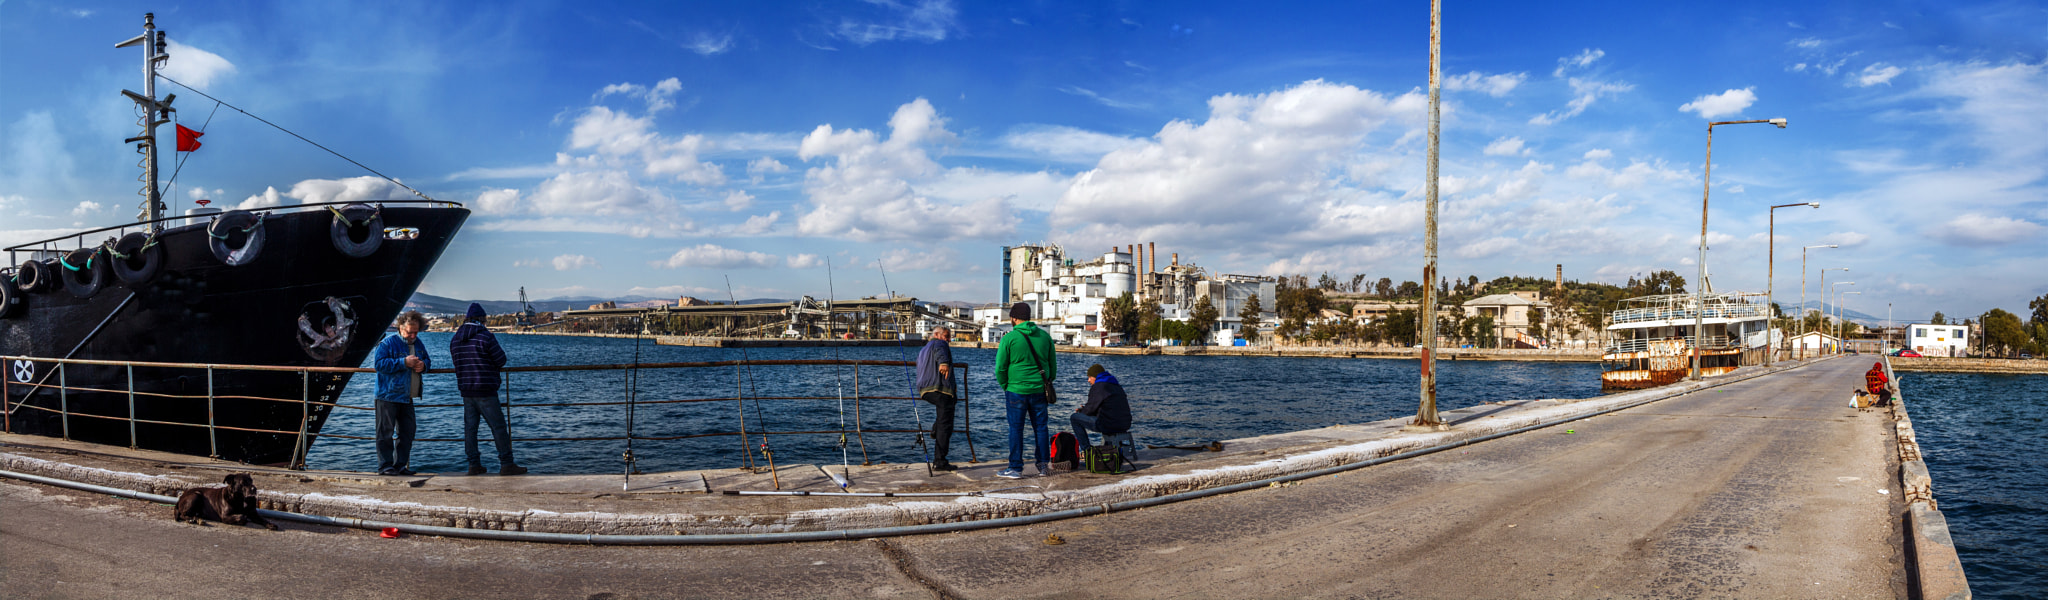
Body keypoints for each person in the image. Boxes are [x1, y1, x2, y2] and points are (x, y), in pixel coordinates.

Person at [450, 303, 526, 476]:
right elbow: (501, 360)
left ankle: (473, 465)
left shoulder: (455, 339)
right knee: (498, 427)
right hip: (485, 389)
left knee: (470, 429)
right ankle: (507, 464)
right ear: (482, 320)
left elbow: (457, 363)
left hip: (466, 390)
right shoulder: (486, 337)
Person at [994, 301, 1055, 479]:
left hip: (1016, 390)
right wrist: (1047, 381)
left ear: (1013, 318)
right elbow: (1053, 366)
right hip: (1039, 390)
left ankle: (1015, 468)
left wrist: (1006, 385)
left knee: (1016, 428)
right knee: (1041, 427)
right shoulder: (1045, 337)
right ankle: (1043, 466)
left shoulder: (1009, 338)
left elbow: (1000, 368)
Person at [372, 311, 430, 476]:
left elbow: (427, 360)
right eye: (409, 332)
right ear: (400, 328)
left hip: (407, 397)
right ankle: (385, 466)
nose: (412, 335)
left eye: (416, 332)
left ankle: (400, 465)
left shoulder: (418, 344)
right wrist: (403, 362)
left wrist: (424, 366)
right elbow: (379, 364)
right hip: (387, 395)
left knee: (408, 432)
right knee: (385, 433)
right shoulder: (387, 344)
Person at [915, 326, 959, 471]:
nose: (948, 339)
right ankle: (940, 461)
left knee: (943, 417)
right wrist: (944, 363)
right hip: (939, 388)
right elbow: (940, 351)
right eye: (946, 336)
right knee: (946, 424)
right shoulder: (939, 343)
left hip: (924, 390)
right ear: (936, 334)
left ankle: (935, 429)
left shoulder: (923, 350)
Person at [1071, 364, 1132, 453]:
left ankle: (1087, 451)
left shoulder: (1098, 386)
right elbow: (1108, 407)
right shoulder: (1116, 385)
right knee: (1107, 417)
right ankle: (1108, 449)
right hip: (1125, 424)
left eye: (1089, 377)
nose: (1088, 380)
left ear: (1095, 377)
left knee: (1074, 418)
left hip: (1109, 425)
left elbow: (1090, 409)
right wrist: (1085, 410)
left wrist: (1081, 412)